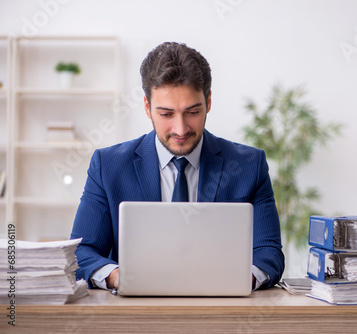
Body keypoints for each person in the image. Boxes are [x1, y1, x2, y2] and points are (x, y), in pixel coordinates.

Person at [70, 42, 285, 291]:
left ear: (209, 102)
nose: (181, 129)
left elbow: (268, 252)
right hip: (135, 318)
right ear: (148, 107)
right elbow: (82, 252)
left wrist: (236, 280)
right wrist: (119, 277)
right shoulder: (108, 166)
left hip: (222, 314)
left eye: (192, 112)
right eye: (166, 114)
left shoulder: (249, 165)